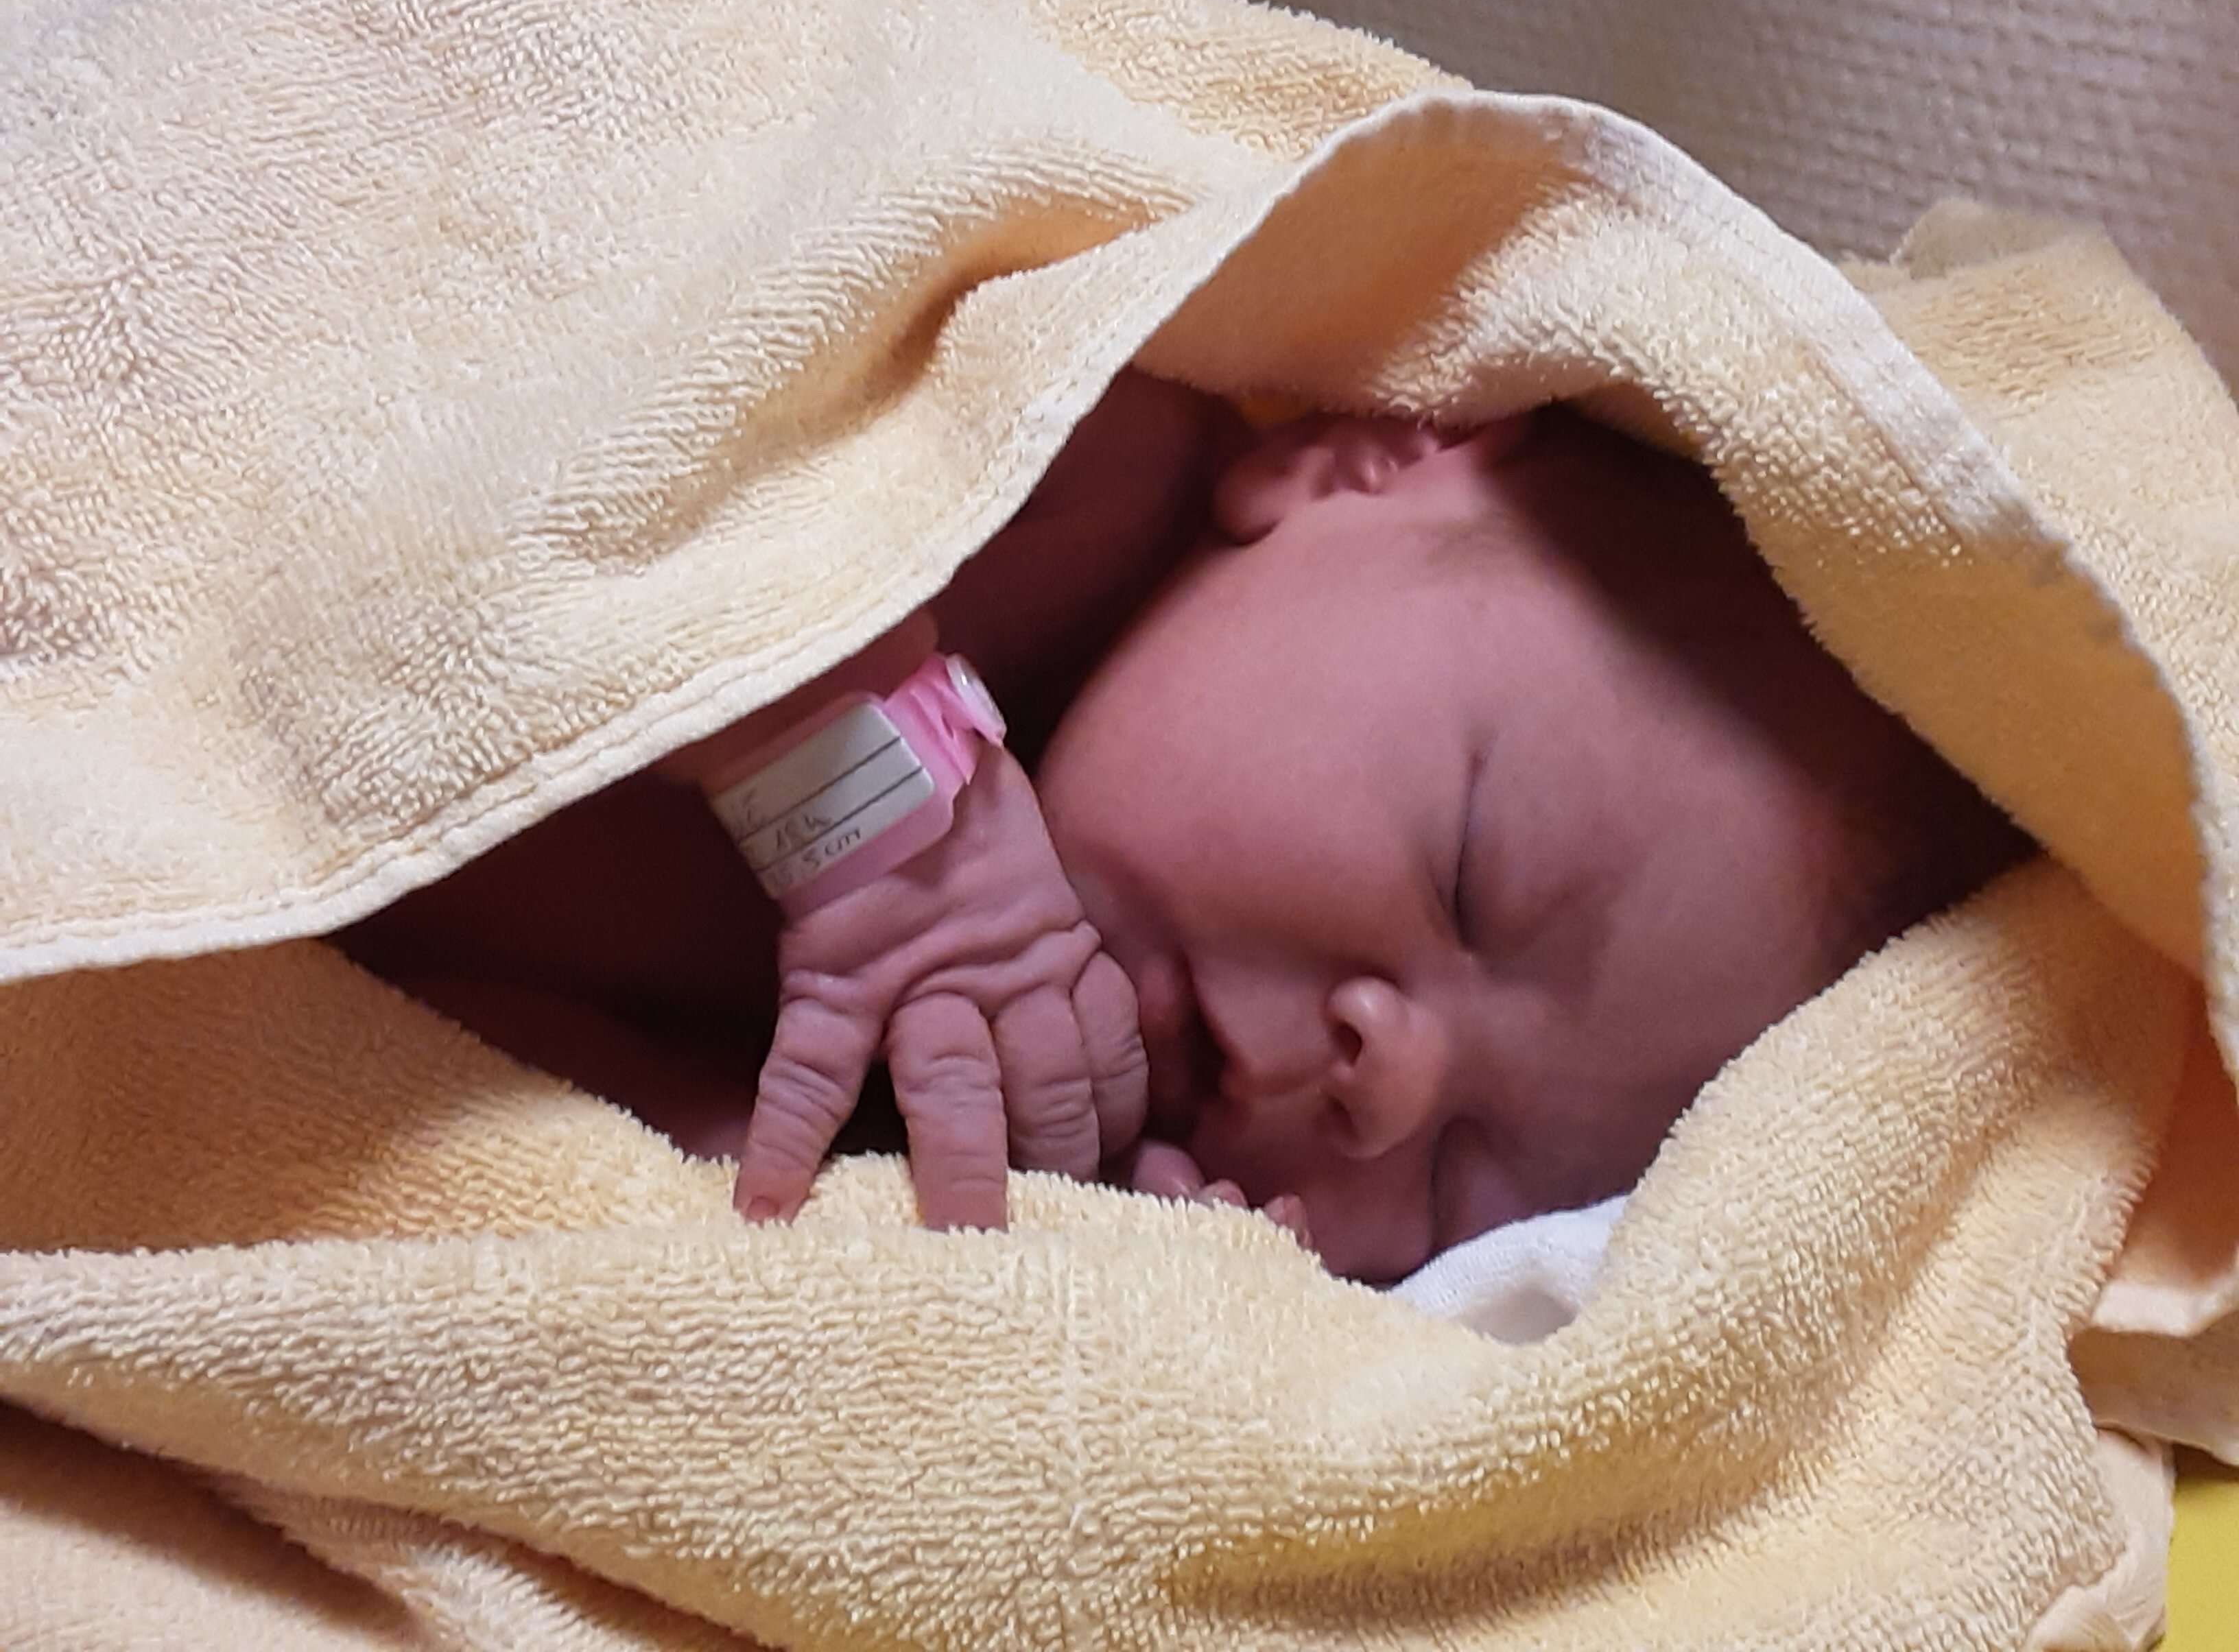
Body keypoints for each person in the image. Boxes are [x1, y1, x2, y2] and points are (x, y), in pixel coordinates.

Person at [334, 372, 2027, 1282]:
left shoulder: (967, 1073)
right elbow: (640, 399)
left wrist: (1048, 1252)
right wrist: (879, 807)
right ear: (1352, 470)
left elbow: (468, 1138)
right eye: (1470, 872)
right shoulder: (1078, 455)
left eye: (1469, 1186)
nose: (1391, 1081)